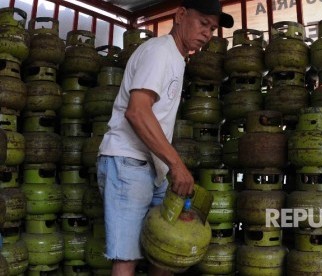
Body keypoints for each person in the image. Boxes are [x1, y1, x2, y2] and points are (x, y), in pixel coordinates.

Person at [96, 0, 234, 275]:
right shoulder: (159, 52)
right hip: (128, 163)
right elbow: (137, 112)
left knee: (166, 251)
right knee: (127, 256)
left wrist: (167, 167)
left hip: (153, 168)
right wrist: (177, 165)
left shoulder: (177, 59)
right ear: (181, 15)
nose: (208, 33)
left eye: (213, 28)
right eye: (203, 23)